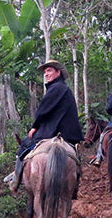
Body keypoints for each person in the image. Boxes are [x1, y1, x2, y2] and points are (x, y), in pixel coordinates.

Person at [6, 59, 84, 189]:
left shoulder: (56, 88)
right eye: (45, 72)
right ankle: (75, 184)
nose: (46, 74)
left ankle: (16, 178)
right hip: (69, 133)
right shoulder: (63, 88)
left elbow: (42, 110)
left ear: (58, 73)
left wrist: (35, 126)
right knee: (76, 156)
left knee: (24, 145)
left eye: (49, 71)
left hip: (54, 130)